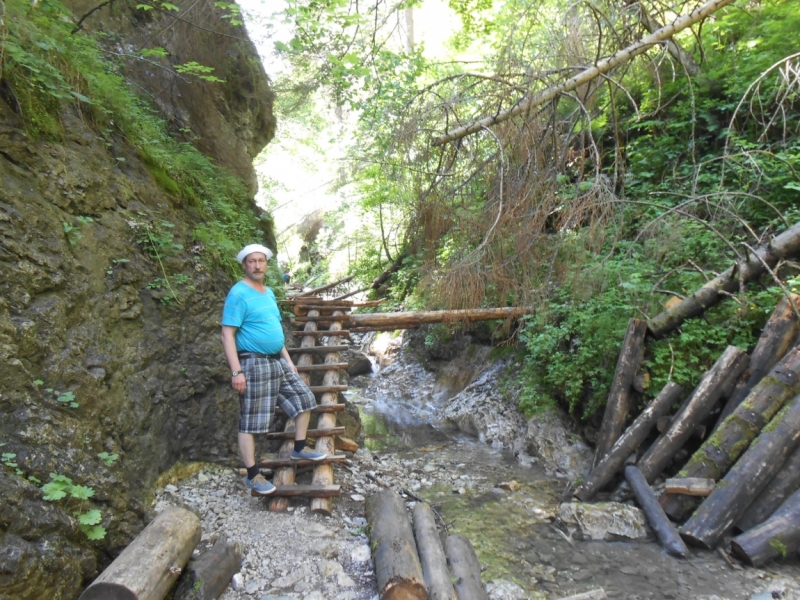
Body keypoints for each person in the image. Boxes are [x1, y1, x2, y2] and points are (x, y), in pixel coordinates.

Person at [221, 243, 326, 495]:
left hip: (277, 361)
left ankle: (299, 447)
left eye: (261, 261)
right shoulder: (238, 293)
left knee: (305, 400)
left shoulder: (267, 292)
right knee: (251, 421)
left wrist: (288, 360)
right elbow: (227, 334)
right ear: (245, 265)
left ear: (267, 264)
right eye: (252, 261)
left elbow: (275, 330)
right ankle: (253, 475)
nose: (257, 265)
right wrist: (237, 371)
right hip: (253, 362)